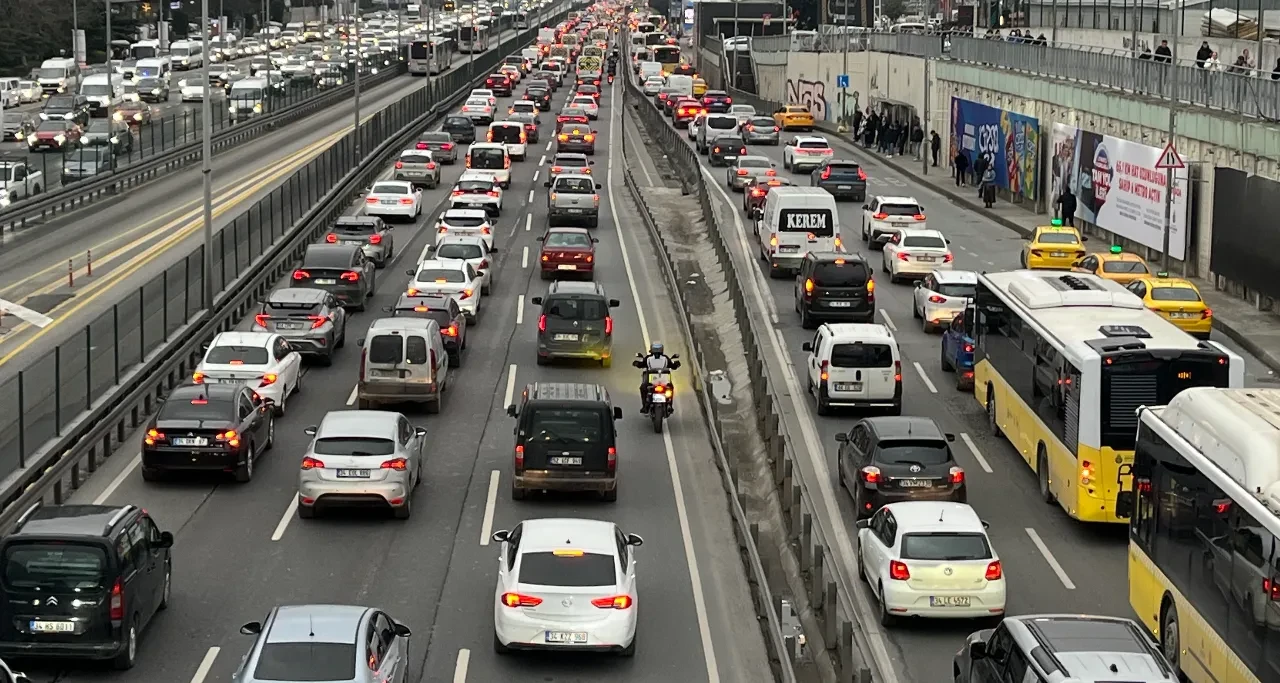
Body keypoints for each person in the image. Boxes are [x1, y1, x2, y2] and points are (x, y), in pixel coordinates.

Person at [636, 342, 678, 413]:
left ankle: (645, 406)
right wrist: (676, 364)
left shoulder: (648, 358)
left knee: (643, 388)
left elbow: (641, 364)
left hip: (652, 381)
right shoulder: (665, 358)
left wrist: (637, 363)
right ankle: (669, 405)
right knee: (670, 388)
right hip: (664, 380)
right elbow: (673, 366)